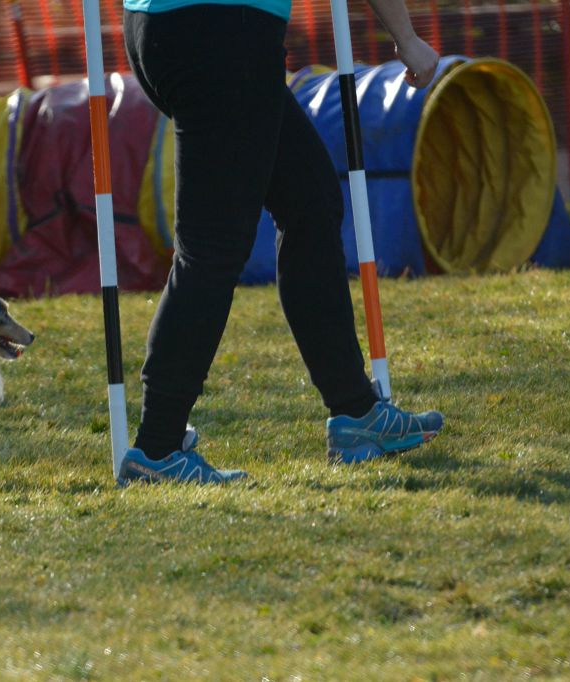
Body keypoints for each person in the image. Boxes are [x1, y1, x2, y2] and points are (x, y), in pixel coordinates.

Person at [117, 0, 444, 483]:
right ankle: (158, 447)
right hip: (223, 27)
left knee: (310, 201)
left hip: (159, 25)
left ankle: (355, 412)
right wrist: (407, 38)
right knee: (211, 248)